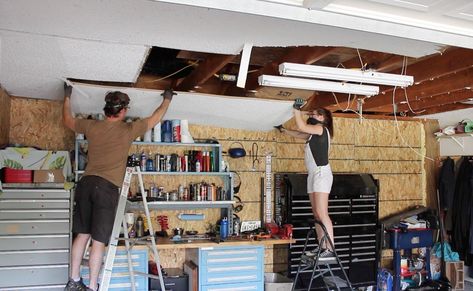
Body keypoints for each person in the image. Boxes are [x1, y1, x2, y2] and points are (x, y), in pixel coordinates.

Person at [63, 85, 174, 291]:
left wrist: (67, 96)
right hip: (106, 189)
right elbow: (155, 118)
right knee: (98, 240)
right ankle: (94, 286)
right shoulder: (128, 129)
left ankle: (74, 280)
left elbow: (68, 121)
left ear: (106, 109)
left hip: (86, 184)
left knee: (82, 234)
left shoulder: (92, 126)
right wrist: (167, 99)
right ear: (122, 111)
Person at [276, 98, 335, 260]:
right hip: (313, 174)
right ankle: (321, 247)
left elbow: (302, 126)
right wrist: (284, 131)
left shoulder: (320, 128)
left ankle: (330, 249)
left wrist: (297, 109)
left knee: (322, 213)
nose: (312, 115)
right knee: (316, 214)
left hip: (321, 174)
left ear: (323, 118)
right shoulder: (313, 133)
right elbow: (300, 133)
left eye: (315, 113)